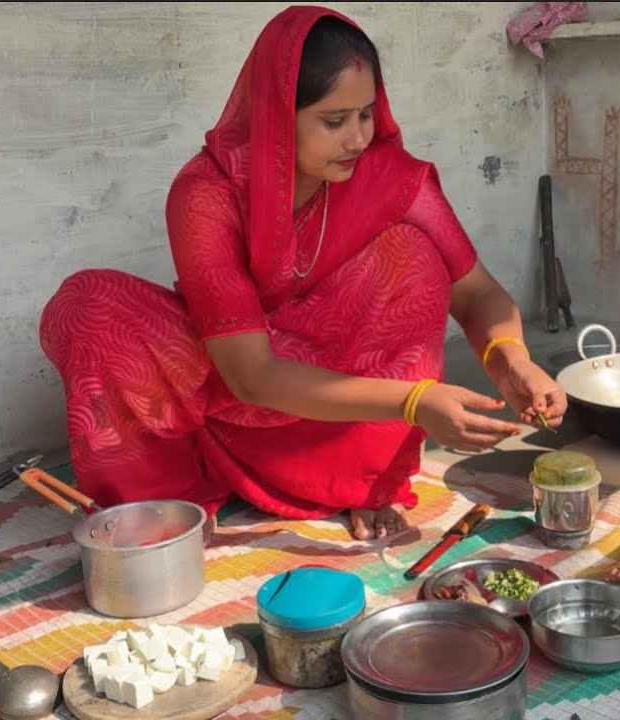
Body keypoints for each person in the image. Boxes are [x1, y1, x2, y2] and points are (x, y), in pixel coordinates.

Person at [38, 5, 567, 541]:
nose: (358, 139)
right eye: (334, 121)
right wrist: (412, 401)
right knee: (90, 304)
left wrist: (511, 361)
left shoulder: (393, 180)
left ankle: (361, 482)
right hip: (235, 384)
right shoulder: (208, 193)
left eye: (366, 114)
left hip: (334, 417)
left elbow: (477, 295)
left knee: (413, 256)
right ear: (275, 115)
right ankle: (170, 507)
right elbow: (251, 374)